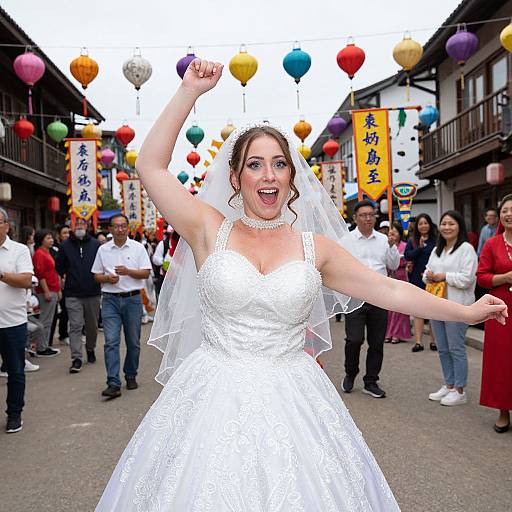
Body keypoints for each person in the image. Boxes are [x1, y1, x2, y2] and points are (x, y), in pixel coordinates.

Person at [95, 58, 507, 511]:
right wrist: (189, 91)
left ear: (291, 177)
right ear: (236, 178)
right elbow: (152, 166)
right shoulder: (208, 229)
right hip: (210, 393)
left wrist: (468, 312)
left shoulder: (316, 249)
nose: (268, 175)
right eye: (255, 165)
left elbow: (389, 289)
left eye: (278, 164)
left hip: (293, 395)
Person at [342, 199, 400, 399]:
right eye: (363, 215)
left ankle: (371, 381)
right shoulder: (346, 241)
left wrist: (393, 247)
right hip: (355, 296)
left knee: (377, 342)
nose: (367, 218)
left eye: (371, 215)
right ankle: (350, 372)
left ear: (375, 217)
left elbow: (393, 265)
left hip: (379, 297)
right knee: (354, 339)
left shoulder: (384, 240)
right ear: (355, 218)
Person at [91, 214, 152, 398]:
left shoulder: (137, 248)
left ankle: (131, 374)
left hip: (132, 300)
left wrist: (128, 272)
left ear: (128, 228)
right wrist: (107, 278)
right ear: (110, 229)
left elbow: (145, 273)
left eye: (123, 226)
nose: (120, 229)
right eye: (116, 226)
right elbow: (96, 275)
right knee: (111, 342)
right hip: (110, 299)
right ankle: (113, 382)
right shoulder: (103, 250)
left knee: (133, 342)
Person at [424, 211, 477, 406]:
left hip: (457, 307)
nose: (447, 227)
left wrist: (443, 276)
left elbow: (467, 278)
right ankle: (449, 384)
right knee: (443, 349)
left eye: (451, 224)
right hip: (437, 306)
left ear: (459, 226)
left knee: (456, 349)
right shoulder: (437, 249)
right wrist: (429, 276)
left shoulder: (466, 249)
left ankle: (460, 390)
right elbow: (426, 272)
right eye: (444, 224)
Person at [476, 194, 512, 433]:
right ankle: (502, 410)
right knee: (501, 360)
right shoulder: (492, 243)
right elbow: (481, 276)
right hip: (501, 308)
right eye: (505, 210)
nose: (509, 214)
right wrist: (505, 278)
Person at [0, 207, 33, 433]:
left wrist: (2, 275)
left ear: (6, 225)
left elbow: (25, 280)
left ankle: (14, 414)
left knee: (15, 370)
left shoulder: (18, 250)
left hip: (12, 322)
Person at [56, 217, 101, 374]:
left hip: (93, 292)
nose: (80, 226)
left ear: (88, 226)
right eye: (77, 224)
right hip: (72, 293)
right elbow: (59, 268)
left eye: (83, 223)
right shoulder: (64, 246)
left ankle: (90, 348)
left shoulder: (96, 245)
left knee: (91, 325)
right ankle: (76, 358)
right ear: (72, 227)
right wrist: (59, 286)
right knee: (75, 326)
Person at [404, 213, 438, 352]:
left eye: (426, 223)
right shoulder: (412, 240)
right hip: (416, 278)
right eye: (420, 223)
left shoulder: (437, 240)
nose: (423, 226)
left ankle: (433, 341)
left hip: (432, 279)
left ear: (430, 225)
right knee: (418, 310)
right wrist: (419, 247)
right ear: (417, 226)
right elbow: (407, 256)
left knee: (433, 311)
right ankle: (418, 342)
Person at [32, 229, 61, 357]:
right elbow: (40, 274)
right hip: (46, 291)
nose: (51, 240)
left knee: (48, 320)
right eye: (48, 238)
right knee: (45, 320)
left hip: (53, 288)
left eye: (51, 237)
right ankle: (41, 348)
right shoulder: (39, 254)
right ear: (41, 240)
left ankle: (44, 345)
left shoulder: (47, 252)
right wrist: (46, 291)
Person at [385, 222, 411, 344]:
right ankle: (389, 333)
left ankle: (397, 334)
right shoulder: (386, 246)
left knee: (401, 309)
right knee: (390, 309)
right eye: (390, 233)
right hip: (391, 278)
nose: (392, 235)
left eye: (395, 232)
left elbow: (408, 260)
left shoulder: (405, 246)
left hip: (402, 278)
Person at [50, 224, 70, 347]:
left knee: (66, 310)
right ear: (58, 235)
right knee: (61, 311)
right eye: (64, 233)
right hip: (56, 284)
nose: (67, 235)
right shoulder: (54, 249)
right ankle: (60, 336)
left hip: (69, 283)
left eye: (68, 232)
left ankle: (65, 334)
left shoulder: (72, 246)